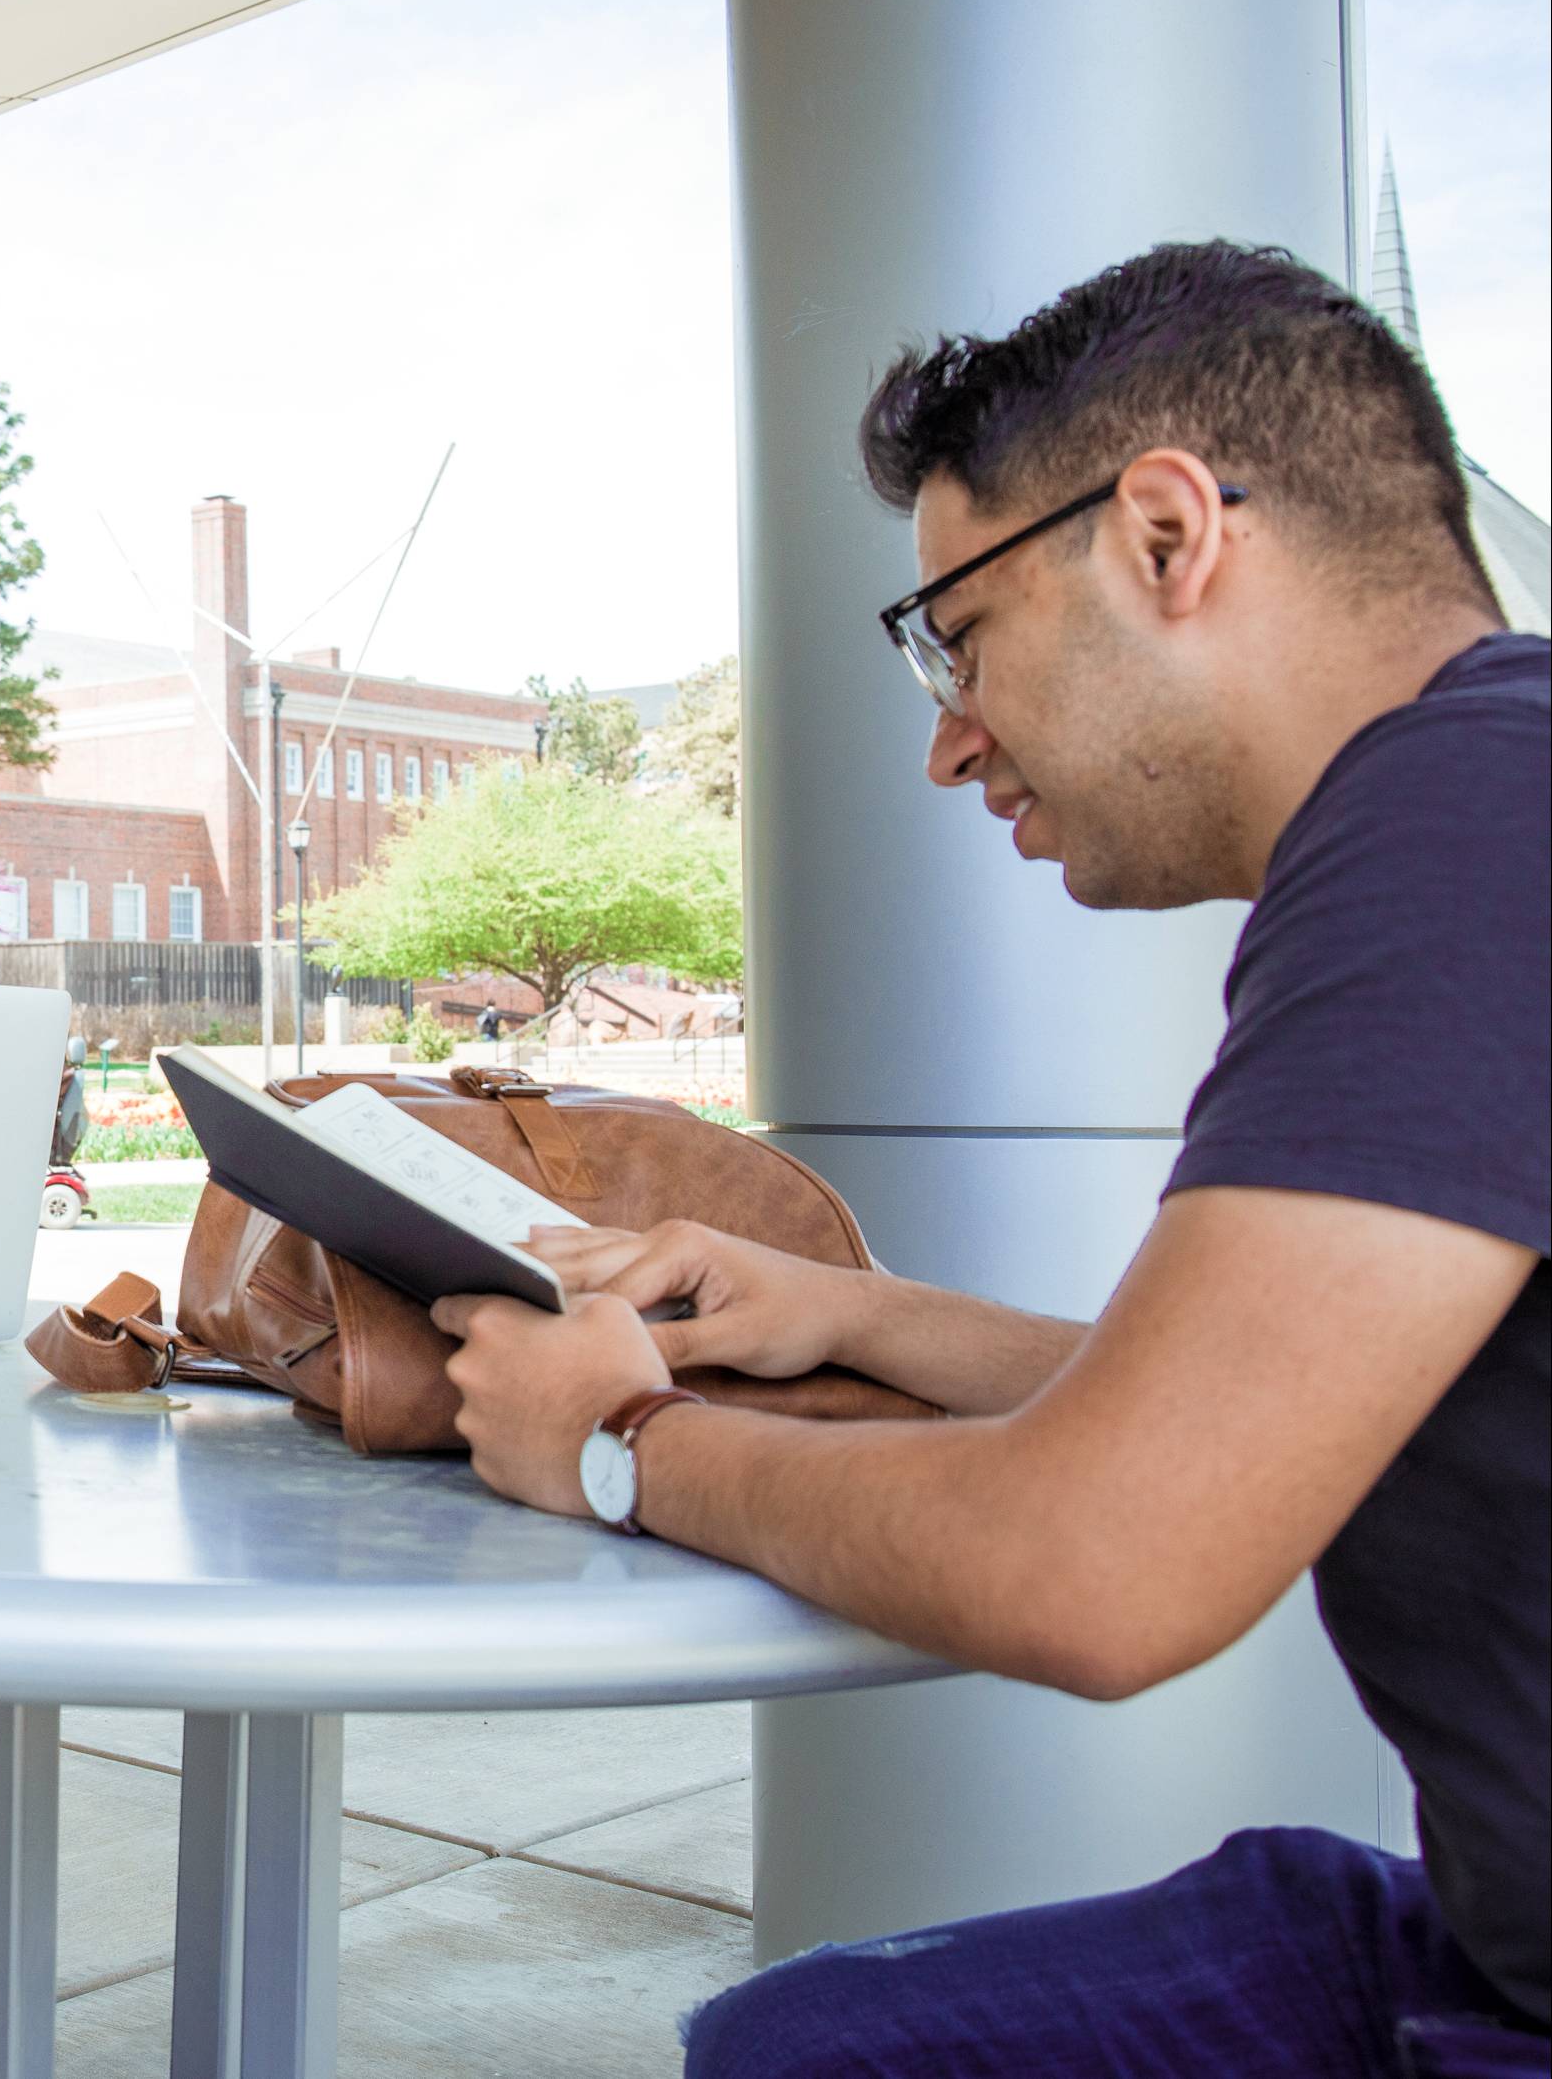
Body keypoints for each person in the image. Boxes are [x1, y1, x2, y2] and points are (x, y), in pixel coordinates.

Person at [427, 244, 1547, 2073]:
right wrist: (858, 1315)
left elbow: (1101, 1565)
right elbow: (1278, 1414)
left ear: (1170, 535)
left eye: (960, 637)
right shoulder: (1484, 791)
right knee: (800, 2046)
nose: (950, 741)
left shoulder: (1460, 829)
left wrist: (622, 1442)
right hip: (1484, 1938)